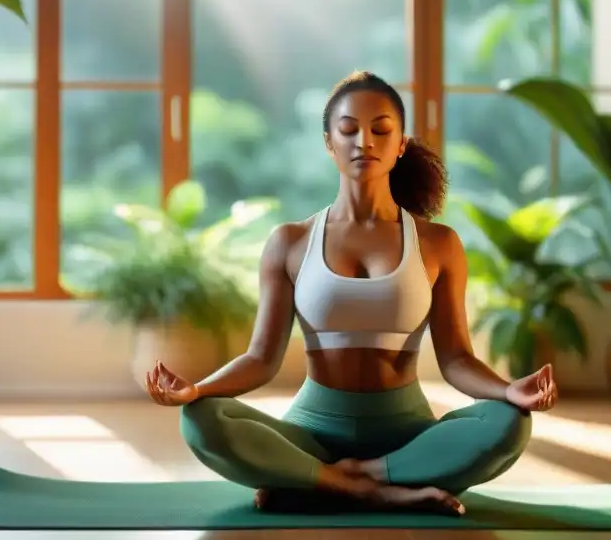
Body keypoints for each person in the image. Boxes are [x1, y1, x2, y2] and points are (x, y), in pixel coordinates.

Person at [144, 70, 558, 516]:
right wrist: (196, 390)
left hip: (408, 436)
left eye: (381, 130)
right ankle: (367, 486)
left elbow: (456, 360)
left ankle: (326, 481)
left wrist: (509, 390)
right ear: (329, 143)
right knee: (203, 421)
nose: (365, 141)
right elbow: (260, 359)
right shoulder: (290, 242)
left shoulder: (439, 243)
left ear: (400, 144)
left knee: (508, 424)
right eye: (348, 130)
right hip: (312, 436)